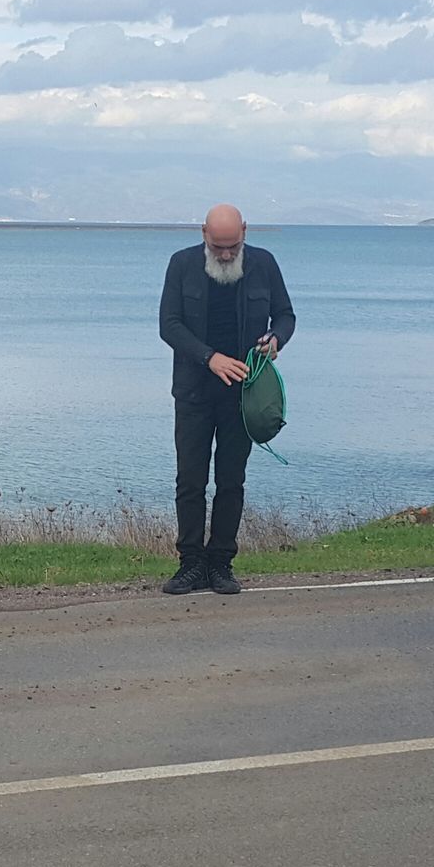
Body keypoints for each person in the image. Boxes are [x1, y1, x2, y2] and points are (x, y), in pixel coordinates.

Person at [159, 203, 296, 596]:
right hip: (193, 391)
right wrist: (210, 358)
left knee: (231, 481)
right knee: (190, 480)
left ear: (245, 234)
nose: (224, 254)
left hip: (242, 394)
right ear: (204, 233)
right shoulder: (181, 264)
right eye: (218, 246)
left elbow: (286, 316)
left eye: (232, 246)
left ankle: (221, 563)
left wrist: (275, 340)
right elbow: (169, 325)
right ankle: (190, 563)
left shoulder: (264, 264)